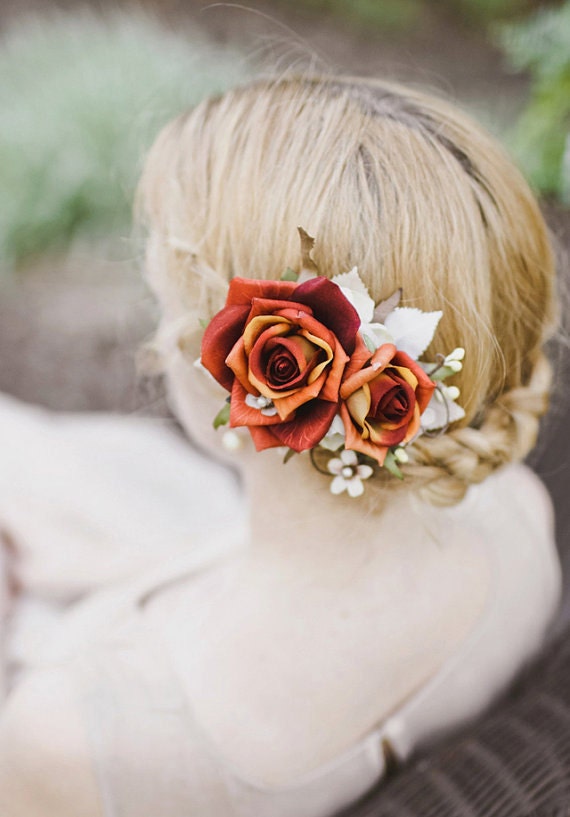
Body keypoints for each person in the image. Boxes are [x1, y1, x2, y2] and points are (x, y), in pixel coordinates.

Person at [0, 75, 562, 817]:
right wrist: (117, 573)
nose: (156, 346)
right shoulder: (518, 519)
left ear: (250, 373)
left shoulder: (75, 739)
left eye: (164, 309)